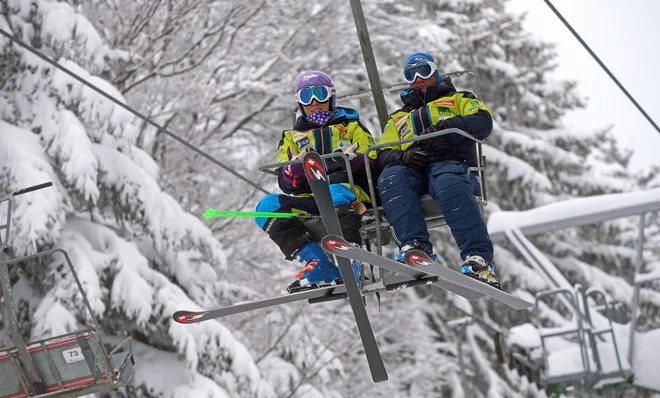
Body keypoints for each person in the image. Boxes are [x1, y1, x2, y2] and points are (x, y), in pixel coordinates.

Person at [376, 52, 501, 289]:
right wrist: (403, 156)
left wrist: (448, 127)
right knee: (391, 177)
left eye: (423, 71)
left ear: (435, 72)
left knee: (448, 184)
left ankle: (479, 259)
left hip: (450, 163)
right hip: (413, 170)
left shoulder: (459, 99)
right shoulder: (399, 118)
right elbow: (382, 152)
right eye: (411, 75)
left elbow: (483, 122)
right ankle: (415, 245)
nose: (418, 79)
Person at [255, 70, 378, 293]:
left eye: (319, 95)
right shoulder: (292, 137)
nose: (314, 103)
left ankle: (350, 256)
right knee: (266, 207)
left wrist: (355, 162)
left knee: (335, 192)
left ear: (330, 97)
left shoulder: (351, 127)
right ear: (299, 104)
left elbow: (372, 159)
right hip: (311, 198)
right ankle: (318, 263)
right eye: (306, 98)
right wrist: (294, 170)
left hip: (348, 192)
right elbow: (285, 180)